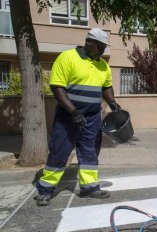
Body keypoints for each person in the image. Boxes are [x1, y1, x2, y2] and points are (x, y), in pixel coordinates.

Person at [35, 28, 121, 206]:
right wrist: (73, 112)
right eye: (99, 46)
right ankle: (45, 189)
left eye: (104, 46)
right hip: (68, 116)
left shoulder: (102, 65)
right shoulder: (67, 58)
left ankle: (89, 187)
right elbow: (57, 87)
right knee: (60, 151)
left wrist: (112, 102)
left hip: (92, 117)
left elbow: (106, 86)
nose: (102, 50)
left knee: (90, 151)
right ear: (88, 42)